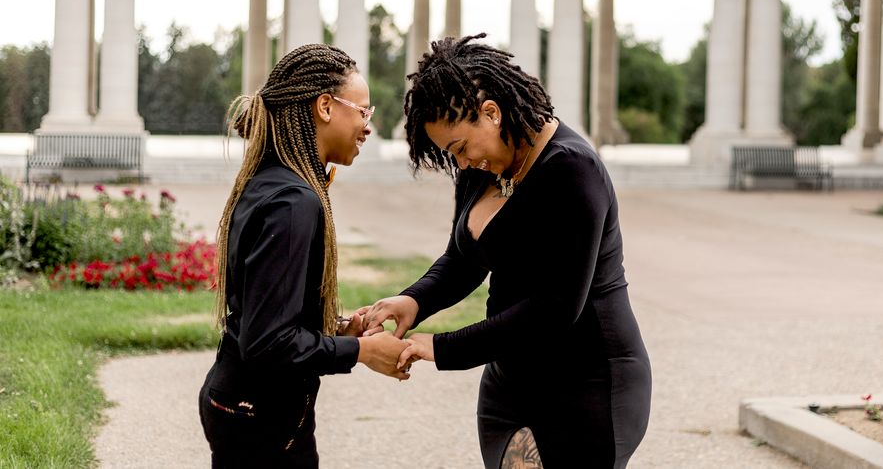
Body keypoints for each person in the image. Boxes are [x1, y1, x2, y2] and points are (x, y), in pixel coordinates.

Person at [361, 34, 652, 468]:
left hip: (588, 383)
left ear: (492, 113)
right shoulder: (483, 168)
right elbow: (463, 260)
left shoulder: (573, 169)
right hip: (510, 386)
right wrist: (414, 301)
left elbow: (555, 308)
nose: (459, 163)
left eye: (459, 147)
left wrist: (439, 348)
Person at [198, 43, 410, 469]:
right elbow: (267, 343)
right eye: (364, 111)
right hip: (259, 417)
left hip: (242, 404)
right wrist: (362, 353)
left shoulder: (273, 182)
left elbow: (267, 316)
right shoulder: (294, 201)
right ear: (326, 107)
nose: (369, 125)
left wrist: (340, 330)